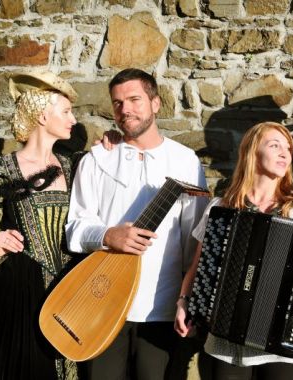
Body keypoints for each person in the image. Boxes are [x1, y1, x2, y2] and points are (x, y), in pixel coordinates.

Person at [174, 121, 293, 380]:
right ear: (252, 152)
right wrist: (183, 301)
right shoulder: (220, 208)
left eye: (287, 148)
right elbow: (197, 266)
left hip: (279, 346)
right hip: (225, 343)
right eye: (274, 145)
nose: (284, 153)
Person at [65, 68, 208, 380]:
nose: (124, 109)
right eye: (117, 103)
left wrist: (189, 301)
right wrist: (108, 235)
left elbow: (195, 241)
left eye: (134, 99)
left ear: (156, 103)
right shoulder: (96, 160)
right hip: (103, 305)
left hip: (162, 308)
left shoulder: (185, 161)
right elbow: (74, 228)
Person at [0, 71, 79, 379]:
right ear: (41, 116)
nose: (74, 120)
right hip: (17, 295)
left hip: (69, 290)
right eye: (65, 112)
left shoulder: (75, 167)